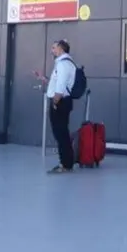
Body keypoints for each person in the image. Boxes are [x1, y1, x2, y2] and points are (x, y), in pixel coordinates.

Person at [36, 39, 76, 174]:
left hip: (61, 102)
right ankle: (67, 162)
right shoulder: (64, 63)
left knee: (61, 134)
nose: (52, 50)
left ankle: (65, 164)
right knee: (62, 133)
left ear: (61, 49)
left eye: (54, 48)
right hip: (62, 100)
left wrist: (55, 101)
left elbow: (61, 85)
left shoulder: (63, 64)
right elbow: (56, 82)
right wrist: (44, 79)